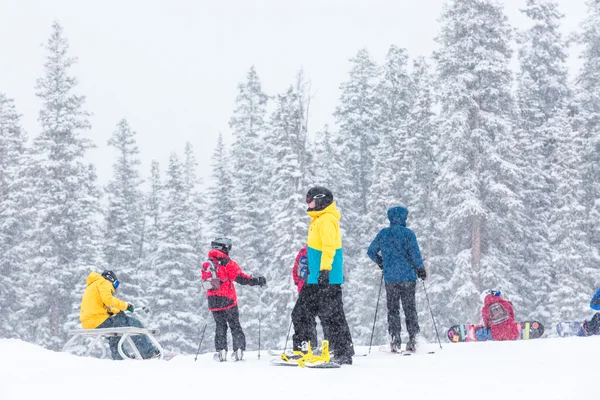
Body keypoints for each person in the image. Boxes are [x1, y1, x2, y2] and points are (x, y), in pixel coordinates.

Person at [291, 186, 354, 365]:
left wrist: (325, 270)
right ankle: (305, 348)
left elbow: (329, 247)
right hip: (315, 278)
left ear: (320, 200)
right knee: (302, 312)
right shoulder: (318, 220)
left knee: (331, 315)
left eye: (309, 200)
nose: (307, 203)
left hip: (326, 278)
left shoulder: (326, 220)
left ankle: (342, 352)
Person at [367, 205, 426, 352]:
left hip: (391, 278)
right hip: (408, 277)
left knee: (393, 309)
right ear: (404, 217)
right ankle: (413, 339)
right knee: (410, 308)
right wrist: (420, 269)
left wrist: (381, 262)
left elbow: (371, 251)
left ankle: (394, 340)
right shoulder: (409, 234)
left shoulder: (383, 234)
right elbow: (415, 254)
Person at [201, 237, 266, 362]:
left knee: (220, 326)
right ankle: (239, 351)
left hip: (213, 300)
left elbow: (205, 282)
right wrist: (256, 281)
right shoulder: (227, 262)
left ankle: (221, 352)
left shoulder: (207, 264)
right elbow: (241, 278)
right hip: (228, 299)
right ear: (224, 248)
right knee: (235, 325)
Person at [80, 270, 159, 360]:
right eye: (116, 284)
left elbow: (102, 307)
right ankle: (149, 353)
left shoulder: (92, 286)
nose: (115, 287)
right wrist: (126, 306)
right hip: (99, 321)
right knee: (134, 324)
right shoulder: (104, 282)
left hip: (90, 323)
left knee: (115, 334)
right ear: (111, 279)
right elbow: (108, 300)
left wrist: (117, 310)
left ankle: (120, 358)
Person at [291, 245, 329, 351]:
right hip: (306, 288)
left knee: (323, 317)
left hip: (319, 287)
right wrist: (298, 282)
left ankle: (310, 345)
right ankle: (307, 345)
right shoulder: (304, 251)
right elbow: (296, 268)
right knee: (302, 316)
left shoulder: (319, 249)